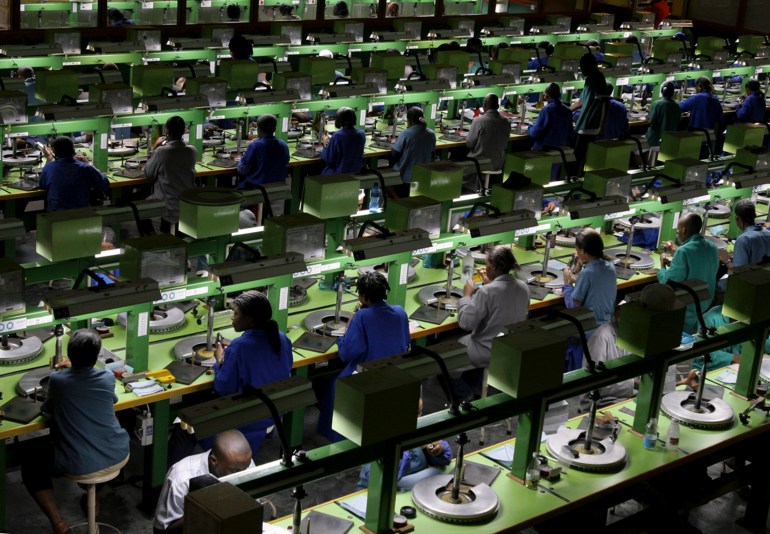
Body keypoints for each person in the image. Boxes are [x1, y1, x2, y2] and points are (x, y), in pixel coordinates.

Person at [21, 329, 129, 534]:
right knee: (97, 438)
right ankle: (93, 502)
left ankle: (59, 525)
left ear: (69, 354)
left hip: (81, 464)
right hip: (117, 455)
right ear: (97, 356)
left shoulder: (58, 381)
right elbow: (109, 397)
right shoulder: (107, 377)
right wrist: (77, 368)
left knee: (31, 459)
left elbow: (46, 410)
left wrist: (69, 370)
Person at [318, 271, 410, 441]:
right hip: (394, 372)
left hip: (367, 375)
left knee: (333, 385)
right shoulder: (400, 312)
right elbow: (405, 342)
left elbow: (347, 354)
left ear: (364, 297)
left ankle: (339, 440)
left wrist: (347, 329)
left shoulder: (362, 317)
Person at [213, 291, 293, 455]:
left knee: (184, 430)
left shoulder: (239, 347)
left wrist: (219, 360)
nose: (232, 318)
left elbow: (223, 388)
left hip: (249, 419)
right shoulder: (282, 338)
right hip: (274, 412)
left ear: (249, 318)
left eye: (236, 314)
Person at [453, 246, 530, 401]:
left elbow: (466, 323)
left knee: (444, 360)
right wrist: (490, 284)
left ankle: (465, 397)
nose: (485, 268)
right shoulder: (523, 287)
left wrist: (466, 296)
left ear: (494, 267)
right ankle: (475, 389)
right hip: (509, 348)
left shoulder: (487, 292)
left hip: (485, 349)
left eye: (487, 264)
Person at [154, 430, 253, 533]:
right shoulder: (181, 478)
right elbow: (162, 530)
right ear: (214, 461)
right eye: (235, 471)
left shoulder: (243, 465)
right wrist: (203, 511)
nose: (243, 474)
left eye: (246, 467)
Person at [358, 400, 451, 491]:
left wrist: (439, 451)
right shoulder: (378, 439)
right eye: (411, 415)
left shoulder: (418, 427)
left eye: (419, 413)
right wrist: (408, 445)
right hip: (373, 494)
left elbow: (445, 460)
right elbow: (386, 479)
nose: (417, 419)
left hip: (410, 489)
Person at [658, 213, 719, 333]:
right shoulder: (712, 247)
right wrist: (677, 252)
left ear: (684, 230)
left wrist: (662, 267)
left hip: (688, 310)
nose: (678, 233)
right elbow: (697, 263)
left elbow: (668, 283)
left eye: (678, 231)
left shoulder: (684, 252)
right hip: (706, 304)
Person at [144, 115, 197, 234]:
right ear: (184, 131)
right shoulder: (192, 151)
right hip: (186, 202)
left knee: (140, 208)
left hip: (169, 204)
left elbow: (148, 174)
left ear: (167, 131)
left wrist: (155, 147)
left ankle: (151, 237)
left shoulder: (162, 152)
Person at [563, 229, 618, 327]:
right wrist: (582, 263)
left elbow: (573, 307)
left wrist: (567, 283)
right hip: (607, 326)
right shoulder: (610, 267)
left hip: (589, 329)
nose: (577, 253)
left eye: (577, 250)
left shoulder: (588, 273)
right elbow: (595, 284)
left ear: (582, 251)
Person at [40, 136, 110, 212]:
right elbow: (104, 184)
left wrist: (49, 158)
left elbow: (42, 185)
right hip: (81, 214)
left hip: (56, 216)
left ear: (55, 151)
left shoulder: (49, 167)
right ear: (73, 150)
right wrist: (89, 163)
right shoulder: (85, 168)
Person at [573, 53, 609, 174]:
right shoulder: (589, 78)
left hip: (590, 127)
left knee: (580, 159)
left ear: (588, 65)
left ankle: (577, 182)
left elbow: (605, 103)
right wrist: (565, 110)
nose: (581, 69)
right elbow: (580, 102)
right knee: (578, 158)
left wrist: (601, 127)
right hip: (582, 126)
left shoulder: (598, 77)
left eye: (582, 66)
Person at [391, 106, 436, 197]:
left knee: (386, 180)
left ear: (410, 120)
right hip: (424, 177)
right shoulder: (431, 134)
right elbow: (433, 154)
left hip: (406, 178)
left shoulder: (406, 134)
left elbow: (395, 154)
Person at [237, 114, 290, 188]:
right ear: (274, 129)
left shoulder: (255, 145)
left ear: (259, 130)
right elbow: (286, 162)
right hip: (278, 188)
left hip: (258, 189)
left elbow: (242, 170)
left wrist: (242, 158)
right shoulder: (284, 145)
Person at [465, 93, 511, 173]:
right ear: (497, 106)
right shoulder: (506, 122)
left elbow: (469, 143)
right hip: (498, 164)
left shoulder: (478, 121)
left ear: (484, 105)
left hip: (479, 164)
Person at [720, 199, 770, 271]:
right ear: (755, 216)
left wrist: (726, 260)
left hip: (750, 280)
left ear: (737, 218)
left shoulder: (744, 239)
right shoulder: (768, 234)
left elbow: (739, 271)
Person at [528, 82, 575, 151]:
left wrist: (529, 127)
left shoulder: (547, 110)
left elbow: (535, 133)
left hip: (544, 150)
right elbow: (571, 135)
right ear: (559, 95)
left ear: (546, 96)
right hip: (561, 151)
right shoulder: (567, 110)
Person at [321, 107, 366, 175]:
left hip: (341, 174)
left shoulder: (337, 136)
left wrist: (325, 144)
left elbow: (329, 160)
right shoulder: (361, 134)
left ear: (339, 119)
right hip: (357, 172)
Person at [645, 81, 681, 146]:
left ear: (661, 92)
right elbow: (679, 120)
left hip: (655, 140)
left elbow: (650, 121)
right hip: (669, 139)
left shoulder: (657, 104)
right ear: (673, 93)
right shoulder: (676, 106)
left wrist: (647, 117)